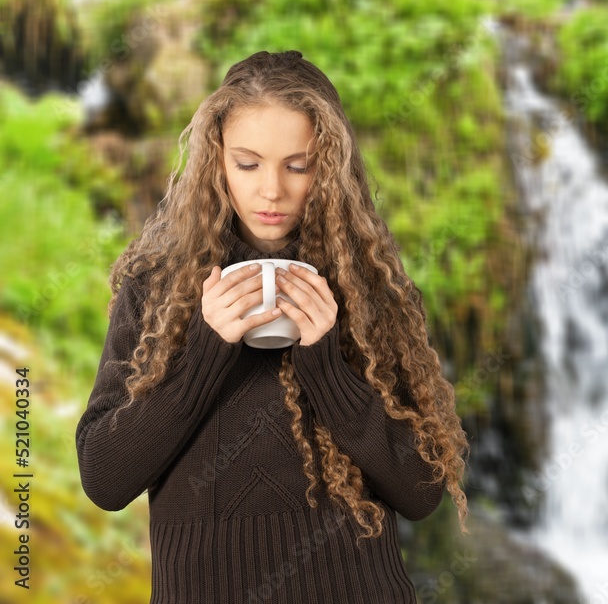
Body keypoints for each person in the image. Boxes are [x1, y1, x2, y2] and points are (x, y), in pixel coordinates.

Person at [76, 49, 470, 603]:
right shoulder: (155, 286)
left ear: (328, 167)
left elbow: (424, 491)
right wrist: (204, 355)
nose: (271, 191)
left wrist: (327, 365)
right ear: (216, 163)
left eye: (298, 165)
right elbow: (104, 479)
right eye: (248, 162)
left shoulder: (368, 285)